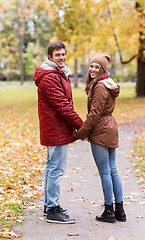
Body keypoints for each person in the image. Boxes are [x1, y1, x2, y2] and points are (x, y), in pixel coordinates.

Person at [34, 40, 83, 224]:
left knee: (51, 167)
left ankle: (49, 205)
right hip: (56, 128)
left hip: (56, 127)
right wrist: (81, 125)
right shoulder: (50, 77)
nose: (62, 57)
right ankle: (53, 209)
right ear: (50, 57)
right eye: (58, 55)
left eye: (63, 54)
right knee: (56, 168)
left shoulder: (58, 73)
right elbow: (63, 105)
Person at [75, 53, 126, 223]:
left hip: (101, 130)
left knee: (106, 171)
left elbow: (94, 114)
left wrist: (81, 133)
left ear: (103, 69)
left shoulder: (99, 87)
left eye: (97, 67)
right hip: (110, 126)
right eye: (92, 66)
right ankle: (120, 211)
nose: (93, 69)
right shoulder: (108, 84)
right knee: (112, 169)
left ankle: (109, 211)